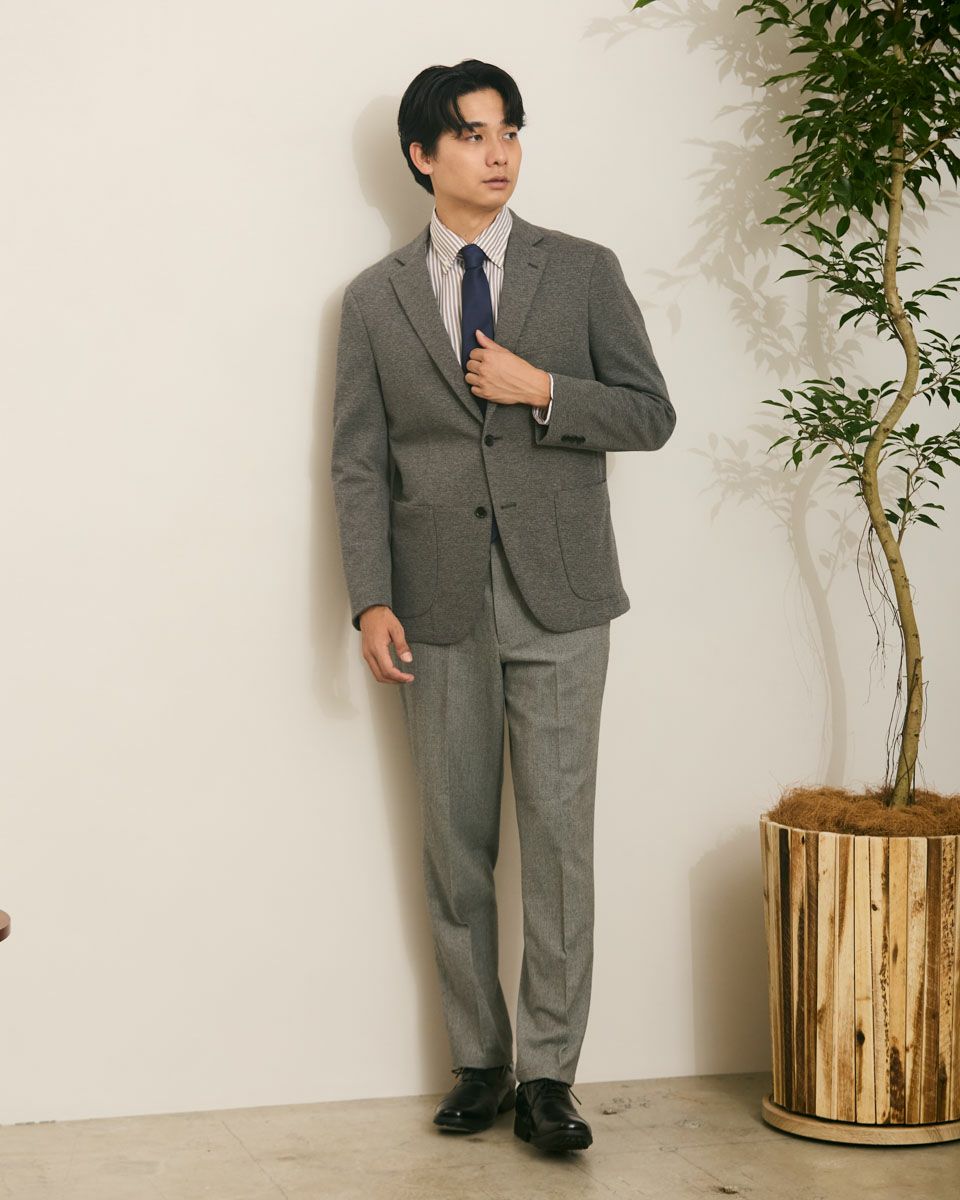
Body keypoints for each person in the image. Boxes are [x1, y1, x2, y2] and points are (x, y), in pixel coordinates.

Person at [330, 59, 675, 1154]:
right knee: (455, 841)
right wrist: (370, 598)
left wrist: (547, 392)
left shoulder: (582, 271)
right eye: (474, 134)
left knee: (561, 842)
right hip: (435, 604)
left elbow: (652, 413)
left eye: (510, 131)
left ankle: (551, 1078)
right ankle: (480, 1060)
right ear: (423, 155)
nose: (498, 152)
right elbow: (358, 462)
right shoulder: (375, 298)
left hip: (561, 595)